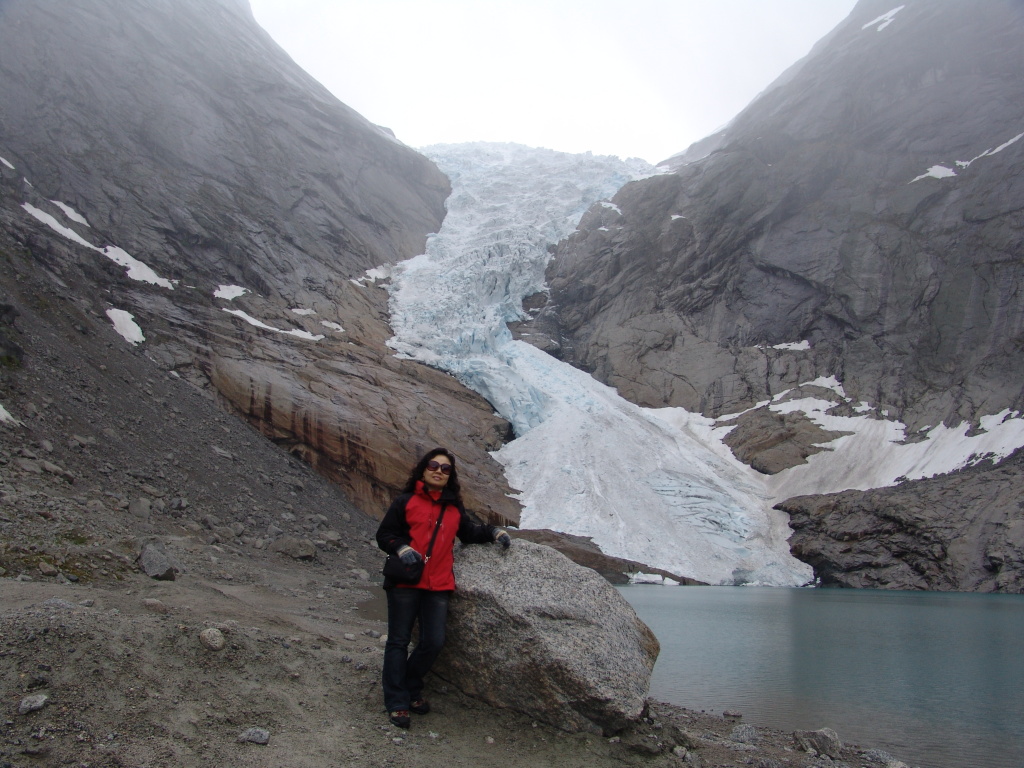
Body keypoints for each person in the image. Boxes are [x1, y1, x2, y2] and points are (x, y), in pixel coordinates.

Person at [375, 447, 512, 729]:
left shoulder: (453, 509)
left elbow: (469, 532)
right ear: (423, 470)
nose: (439, 471)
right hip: (405, 581)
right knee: (398, 641)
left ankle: (410, 686)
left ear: (450, 476)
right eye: (434, 466)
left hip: (438, 584)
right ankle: (398, 701)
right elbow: (384, 534)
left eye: (445, 468)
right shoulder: (406, 501)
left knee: (433, 642)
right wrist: (401, 548)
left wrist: (493, 531)